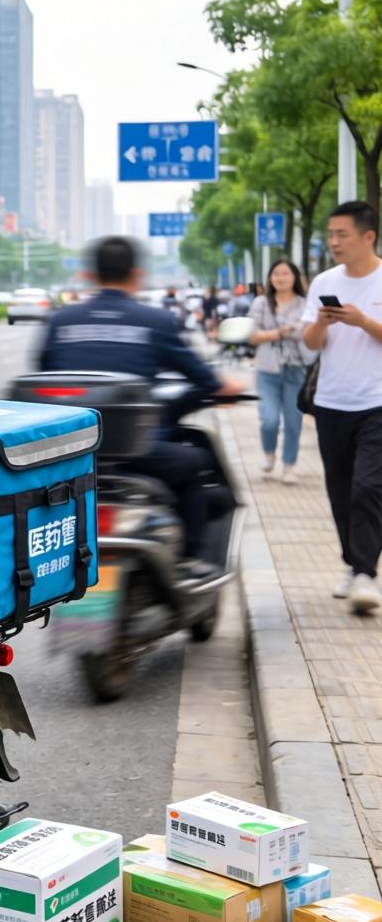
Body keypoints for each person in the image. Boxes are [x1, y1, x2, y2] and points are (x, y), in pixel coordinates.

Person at [39, 236, 243, 568]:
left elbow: (44, 378)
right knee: (193, 464)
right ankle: (194, 561)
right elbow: (204, 378)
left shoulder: (62, 322)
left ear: (91, 275)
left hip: (71, 454)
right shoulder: (154, 321)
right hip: (139, 455)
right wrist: (228, 386)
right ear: (136, 275)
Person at [302, 200, 382, 615]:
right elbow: (310, 343)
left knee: (368, 486)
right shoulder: (323, 281)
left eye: (342, 234)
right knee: (340, 489)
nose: (334, 241)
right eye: (330, 234)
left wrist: (363, 321)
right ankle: (354, 564)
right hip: (332, 402)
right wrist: (323, 323)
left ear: (368, 236)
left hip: (377, 403)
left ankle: (366, 573)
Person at [247, 260, 312, 484]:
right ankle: (269, 453)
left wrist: (277, 332)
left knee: (293, 422)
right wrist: (282, 332)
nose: (281, 277)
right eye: (276, 273)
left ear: (294, 276)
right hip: (267, 370)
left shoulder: (305, 303)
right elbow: (252, 335)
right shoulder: (261, 303)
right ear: (270, 277)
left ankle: (289, 466)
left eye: (285, 273)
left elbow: (308, 333)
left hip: (296, 369)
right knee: (269, 420)